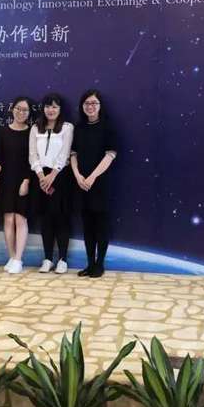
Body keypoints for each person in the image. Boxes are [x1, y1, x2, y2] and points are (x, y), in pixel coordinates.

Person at [71, 89, 117, 278]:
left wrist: (92, 177)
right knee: (87, 226)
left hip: (100, 184)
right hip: (81, 184)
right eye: (86, 103)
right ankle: (89, 264)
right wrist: (78, 176)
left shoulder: (108, 127)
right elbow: (73, 154)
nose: (90, 106)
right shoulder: (79, 128)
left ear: (100, 106)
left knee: (101, 226)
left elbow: (110, 156)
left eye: (93, 103)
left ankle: (100, 264)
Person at [29, 93, 74, 274]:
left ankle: (62, 259)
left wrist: (52, 175)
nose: (51, 110)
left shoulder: (67, 127)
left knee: (61, 218)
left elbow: (65, 153)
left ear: (60, 109)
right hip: (40, 177)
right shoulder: (35, 128)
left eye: (55, 106)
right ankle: (47, 258)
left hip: (60, 177)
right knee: (46, 219)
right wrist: (41, 176)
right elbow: (32, 154)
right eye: (48, 106)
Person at [0, 97, 32, 274]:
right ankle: (12, 256)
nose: (21, 112)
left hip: (24, 181)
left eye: (25, 110)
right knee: (8, 219)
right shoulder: (2, 132)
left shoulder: (32, 132)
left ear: (29, 113)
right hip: (5, 180)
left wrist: (27, 180)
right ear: (12, 109)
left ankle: (19, 259)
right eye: (18, 108)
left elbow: (34, 159)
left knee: (20, 219)